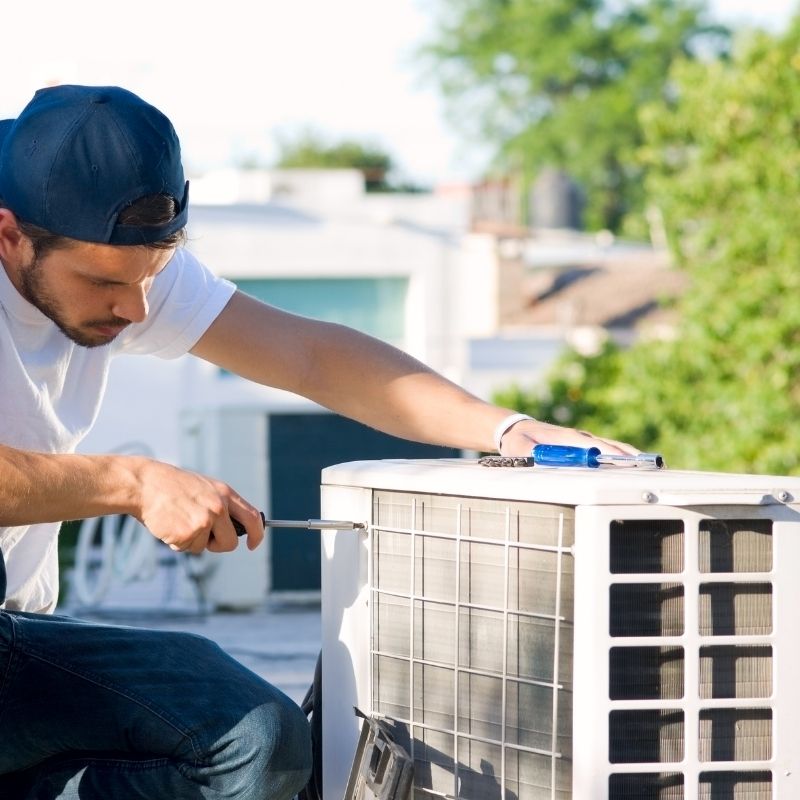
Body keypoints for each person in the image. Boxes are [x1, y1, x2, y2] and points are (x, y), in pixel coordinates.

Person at [0, 85, 635, 800]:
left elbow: (309, 355)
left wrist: (504, 427)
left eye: (150, 277)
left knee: (259, 742)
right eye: (104, 283)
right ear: (10, 234)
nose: (136, 307)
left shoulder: (119, 262)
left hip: (21, 639)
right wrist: (134, 483)